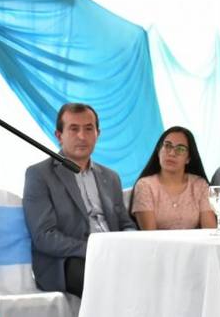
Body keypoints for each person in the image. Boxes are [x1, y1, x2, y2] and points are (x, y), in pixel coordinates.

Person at [22, 103, 135, 298]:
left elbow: (125, 223)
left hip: (113, 253)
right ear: (59, 135)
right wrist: (94, 249)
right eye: (74, 129)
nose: (82, 136)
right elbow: (44, 236)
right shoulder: (39, 174)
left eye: (88, 129)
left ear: (98, 134)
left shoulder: (111, 177)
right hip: (68, 261)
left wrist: (130, 241)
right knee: (108, 283)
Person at [129, 126, 216, 230]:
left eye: (180, 149)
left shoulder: (200, 185)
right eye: (167, 146)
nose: (172, 153)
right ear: (158, 151)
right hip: (156, 241)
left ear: (188, 158)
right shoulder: (145, 186)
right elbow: (150, 234)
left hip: (196, 241)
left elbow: (209, 230)